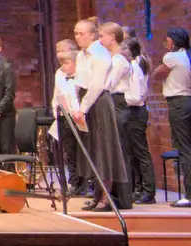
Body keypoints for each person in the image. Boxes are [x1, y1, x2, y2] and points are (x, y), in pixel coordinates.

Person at [74, 18, 131, 210]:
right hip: (86, 102)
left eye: (81, 33)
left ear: (92, 35)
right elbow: (79, 82)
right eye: (75, 33)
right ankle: (98, 193)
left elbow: (97, 85)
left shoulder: (100, 55)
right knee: (93, 149)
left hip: (98, 102)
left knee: (105, 149)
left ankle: (107, 197)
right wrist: (76, 106)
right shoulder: (81, 55)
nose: (77, 37)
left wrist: (83, 107)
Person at [156, 27, 191, 208]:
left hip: (179, 104)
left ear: (173, 41)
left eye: (167, 39)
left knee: (185, 149)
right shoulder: (188, 56)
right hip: (189, 101)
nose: (165, 42)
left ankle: (189, 195)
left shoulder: (172, 57)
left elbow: (156, 75)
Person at [123, 38, 155, 204]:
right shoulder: (135, 64)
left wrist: (120, 99)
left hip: (135, 111)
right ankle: (139, 188)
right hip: (133, 111)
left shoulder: (135, 66)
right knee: (132, 153)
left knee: (140, 152)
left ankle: (148, 191)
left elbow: (135, 97)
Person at [51, 40, 83, 194]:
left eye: (67, 63)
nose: (63, 66)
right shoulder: (60, 74)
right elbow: (57, 94)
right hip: (64, 116)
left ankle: (86, 183)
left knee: (82, 151)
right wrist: (56, 112)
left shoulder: (82, 76)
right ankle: (74, 183)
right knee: (70, 152)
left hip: (78, 117)